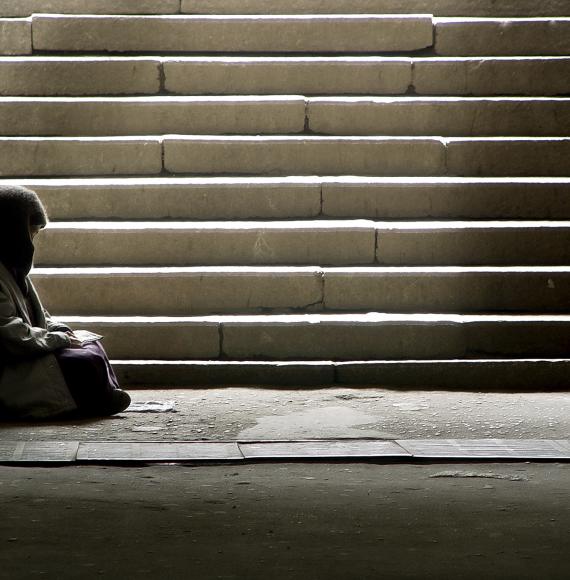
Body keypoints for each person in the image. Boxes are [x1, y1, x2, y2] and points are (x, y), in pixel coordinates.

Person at [0, 185, 130, 420]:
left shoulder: (14, 271)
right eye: (31, 234)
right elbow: (10, 334)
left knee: (92, 347)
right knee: (83, 362)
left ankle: (103, 394)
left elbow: (39, 314)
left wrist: (61, 330)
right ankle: (93, 400)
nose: (32, 243)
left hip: (31, 348)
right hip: (11, 366)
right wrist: (57, 340)